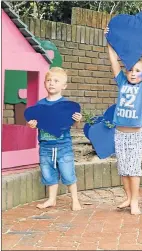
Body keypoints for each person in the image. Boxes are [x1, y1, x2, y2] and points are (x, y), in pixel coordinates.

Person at [105, 27, 142, 215]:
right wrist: (109, 40)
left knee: (134, 169)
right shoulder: (122, 82)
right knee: (123, 168)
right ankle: (128, 198)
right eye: (130, 69)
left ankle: (135, 201)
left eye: (137, 70)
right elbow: (114, 61)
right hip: (119, 133)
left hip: (135, 135)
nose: (132, 72)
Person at [27, 67, 82, 211]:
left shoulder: (67, 106)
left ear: (63, 86)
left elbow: (74, 125)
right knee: (48, 172)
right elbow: (36, 122)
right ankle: (51, 199)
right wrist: (32, 125)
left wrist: (77, 121)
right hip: (45, 146)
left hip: (63, 145)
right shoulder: (40, 105)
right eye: (49, 80)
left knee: (68, 172)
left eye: (56, 81)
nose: (51, 83)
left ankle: (75, 200)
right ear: (44, 83)